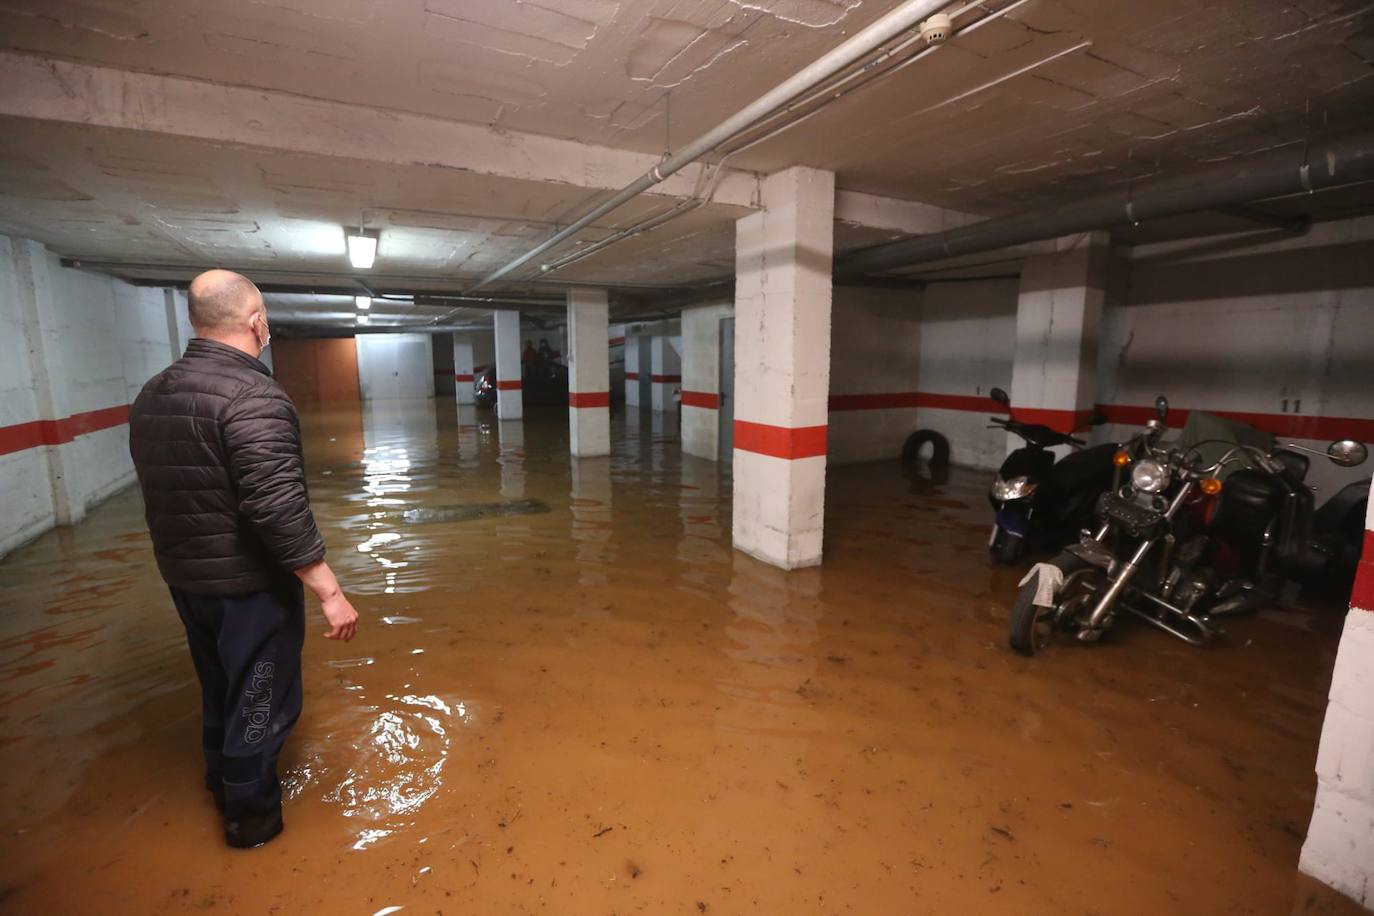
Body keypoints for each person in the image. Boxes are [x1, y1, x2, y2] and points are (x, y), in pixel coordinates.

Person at [128, 269, 359, 849]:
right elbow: (275, 504)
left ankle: (219, 782)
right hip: (247, 587)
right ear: (257, 321)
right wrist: (328, 590)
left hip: (187, 579)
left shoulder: (154, 391)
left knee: (221, 685)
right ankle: (250, 821)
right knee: (260, 700)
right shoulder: (254, 395)